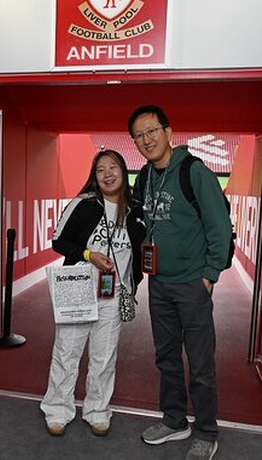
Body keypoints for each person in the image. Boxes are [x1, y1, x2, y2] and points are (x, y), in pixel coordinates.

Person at [128, 105, 232, 460]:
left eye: (151, 131)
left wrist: (209, 275)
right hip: (159, 283)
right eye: (139, 136)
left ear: (169, 132)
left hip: (192, 284)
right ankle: (175, 421)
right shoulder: (144, 177)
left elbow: (219, 226)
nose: (146, 140)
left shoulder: (194, 171)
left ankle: (206, 430)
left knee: (200, 362)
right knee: (166, 357)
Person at [40, 149, 146, 438]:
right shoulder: (83, 204)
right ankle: (57, 410)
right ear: (94, 176)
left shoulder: (136, 210)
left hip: (113, 294)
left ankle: (97, 411)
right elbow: (58, 241)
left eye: (113, 168)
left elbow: (139, 249)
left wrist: (134, 280)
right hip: (77, 289)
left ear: (124, 172)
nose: (108, 174)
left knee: (104, 356)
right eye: (101, 170)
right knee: (67, 352)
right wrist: (88, 254)